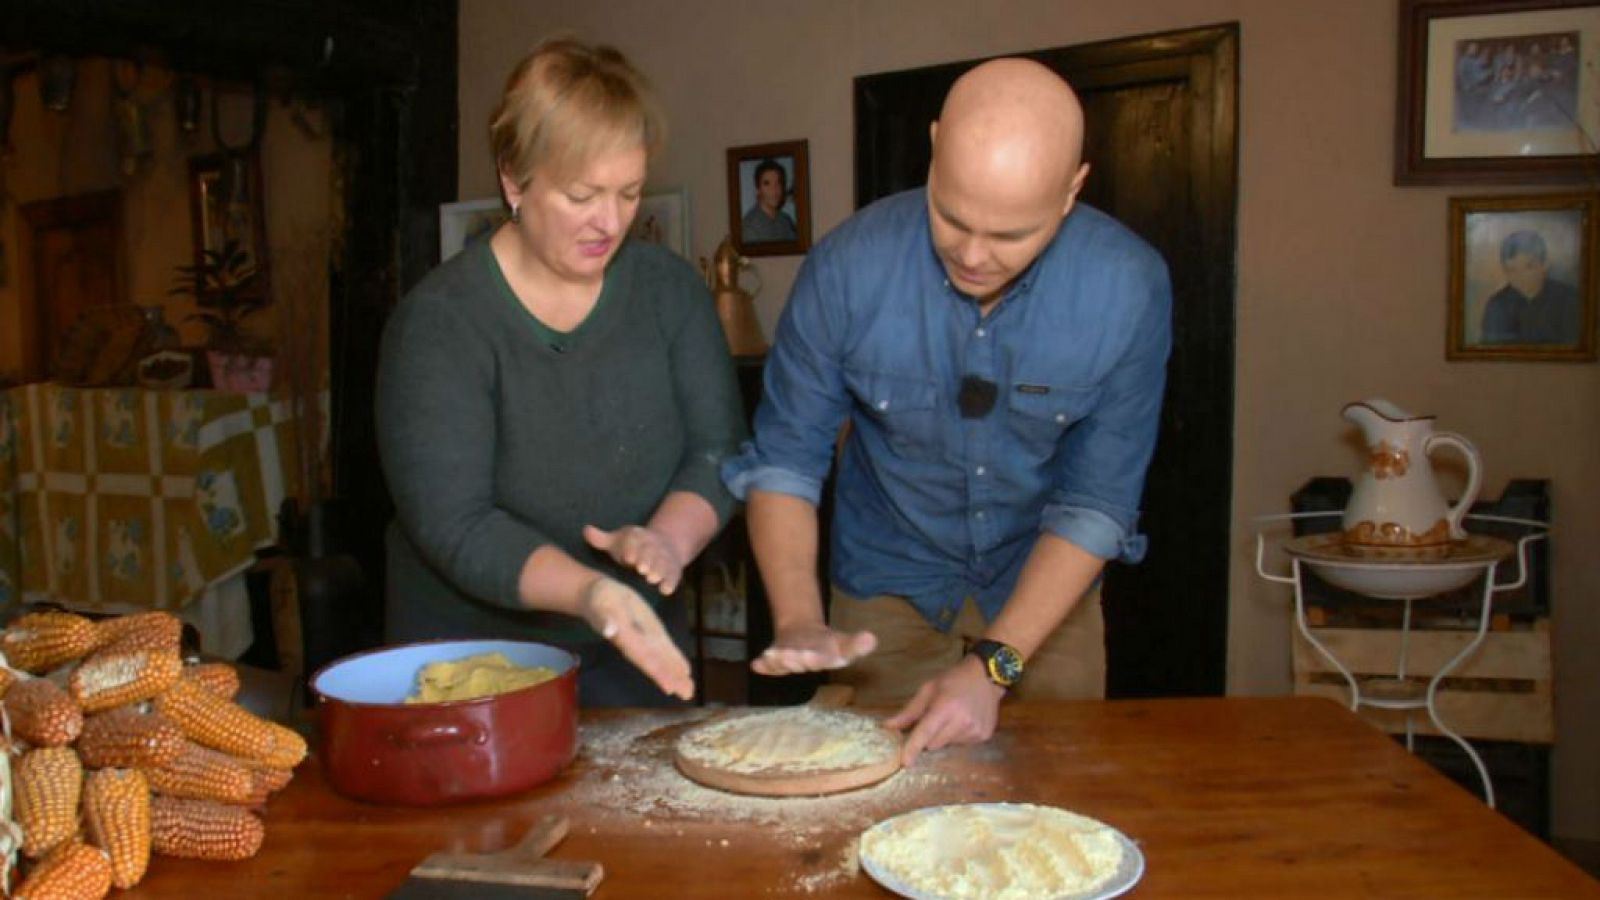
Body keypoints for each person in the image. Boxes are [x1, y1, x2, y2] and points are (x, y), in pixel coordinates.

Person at [722, 58, 1171, 765]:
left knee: (1054, 796)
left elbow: (1098, 504)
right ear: (934, 147)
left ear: (1072, 189)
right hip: (884, 583)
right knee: (878, 796)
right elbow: (785, 459)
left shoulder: (1128, 288)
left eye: (1012, 236)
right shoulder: (847, 268)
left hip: (1044, 587)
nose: (973, 255)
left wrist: (996, 667)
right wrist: (800, 616)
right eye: (951, 217)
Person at [376, 39, 746, 707]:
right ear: (514, 181)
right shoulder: (439, 324)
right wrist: (589, 591)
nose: (610, 221)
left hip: (633, 643)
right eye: (582, 196)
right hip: (473, 662)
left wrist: (665, 540)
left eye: (629, 193)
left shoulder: (668, 293)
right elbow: (457, 523)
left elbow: (717, 451)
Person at [1480, 229, 1582, 345]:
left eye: (1529, 267)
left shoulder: (1570, 299)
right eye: (1512, 270)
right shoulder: (1497, 305)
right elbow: (1491, 352)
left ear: (1544, 265)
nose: (1520, 277)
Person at [740, 158, 798, 242]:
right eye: (767, 184)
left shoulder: (786, 221)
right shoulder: (749, 226)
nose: (774, 189)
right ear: (758, 189)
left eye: (778, 183)